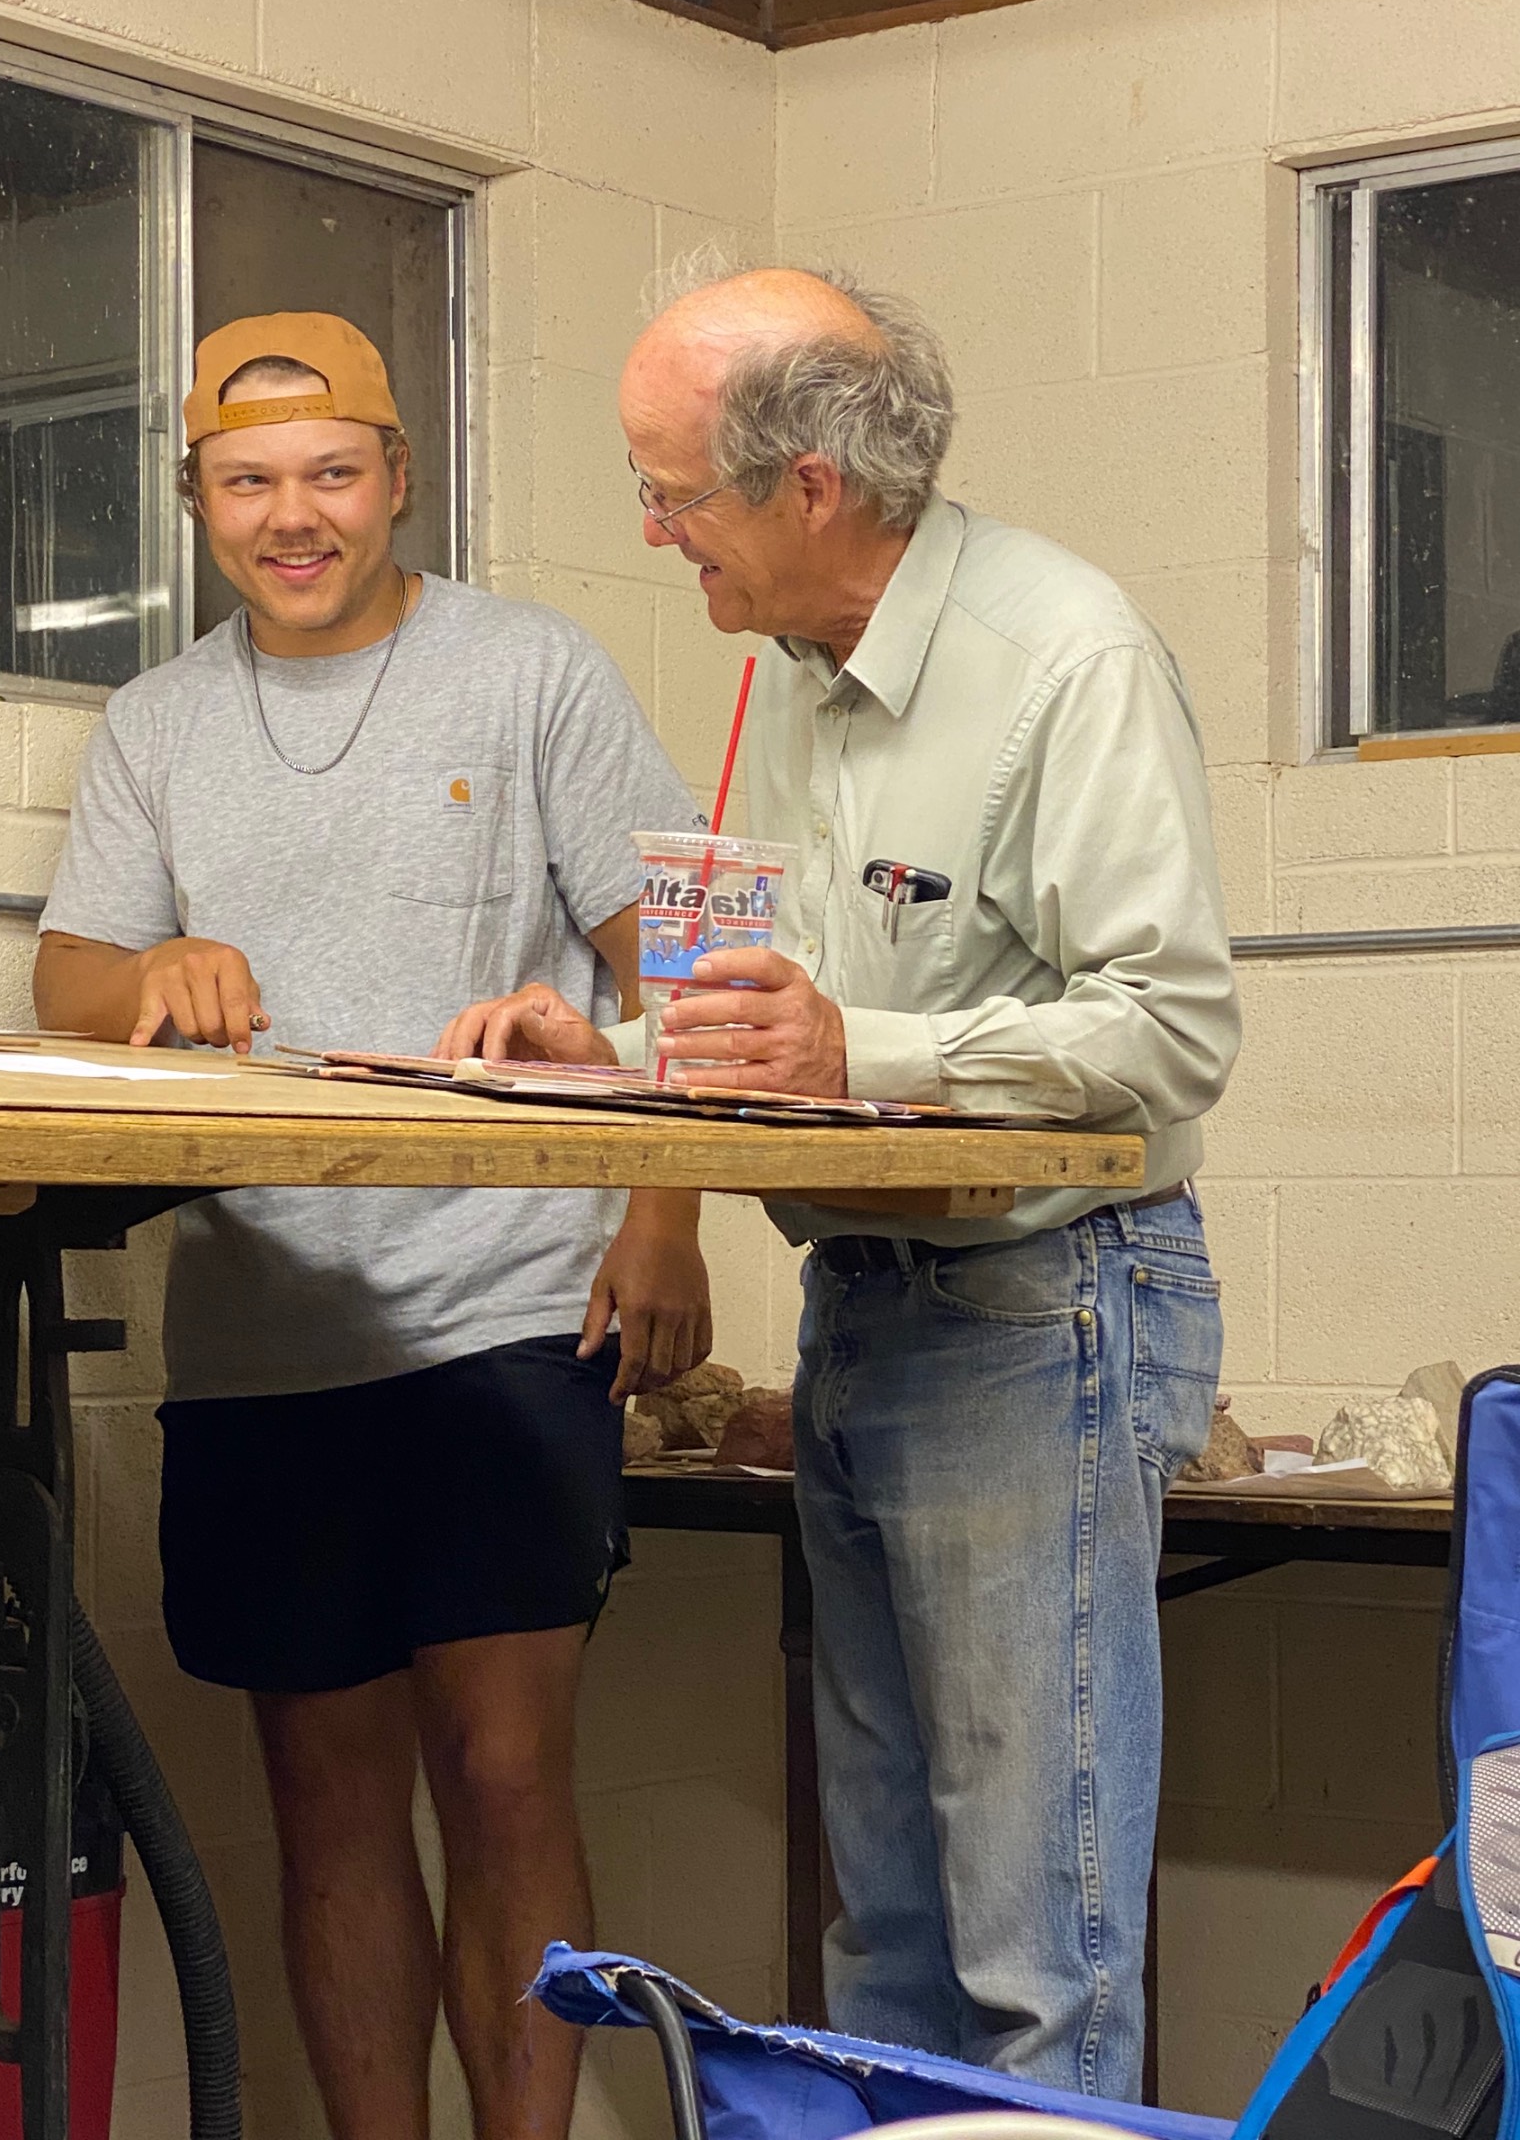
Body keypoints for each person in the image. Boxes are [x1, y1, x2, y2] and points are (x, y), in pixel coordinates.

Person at [449, 267, 1242, 2101]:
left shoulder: (1067, 656)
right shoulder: (799, 682)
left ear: (809, 484)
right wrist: (628, 1054)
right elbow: (799, 1017)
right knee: (880, 1933)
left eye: (676, 496)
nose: (659, 537)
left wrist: (849, 1058)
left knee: (1035, 1949)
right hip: (873, 1304)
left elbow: (1169, 1031)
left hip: (1045, 1313)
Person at [34, 311, 710, 2140]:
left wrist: (666, 1215)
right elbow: (67, 966)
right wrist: (147, 971)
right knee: (325, 1801)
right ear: (202, 503)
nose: (295, 516)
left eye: (332, 473)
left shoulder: (530, 671)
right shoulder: (158, 718)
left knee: (503, 1778)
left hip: (507, 1307)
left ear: (398, 480)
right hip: (261, 1329)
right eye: (249, 484)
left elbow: (682, 963)